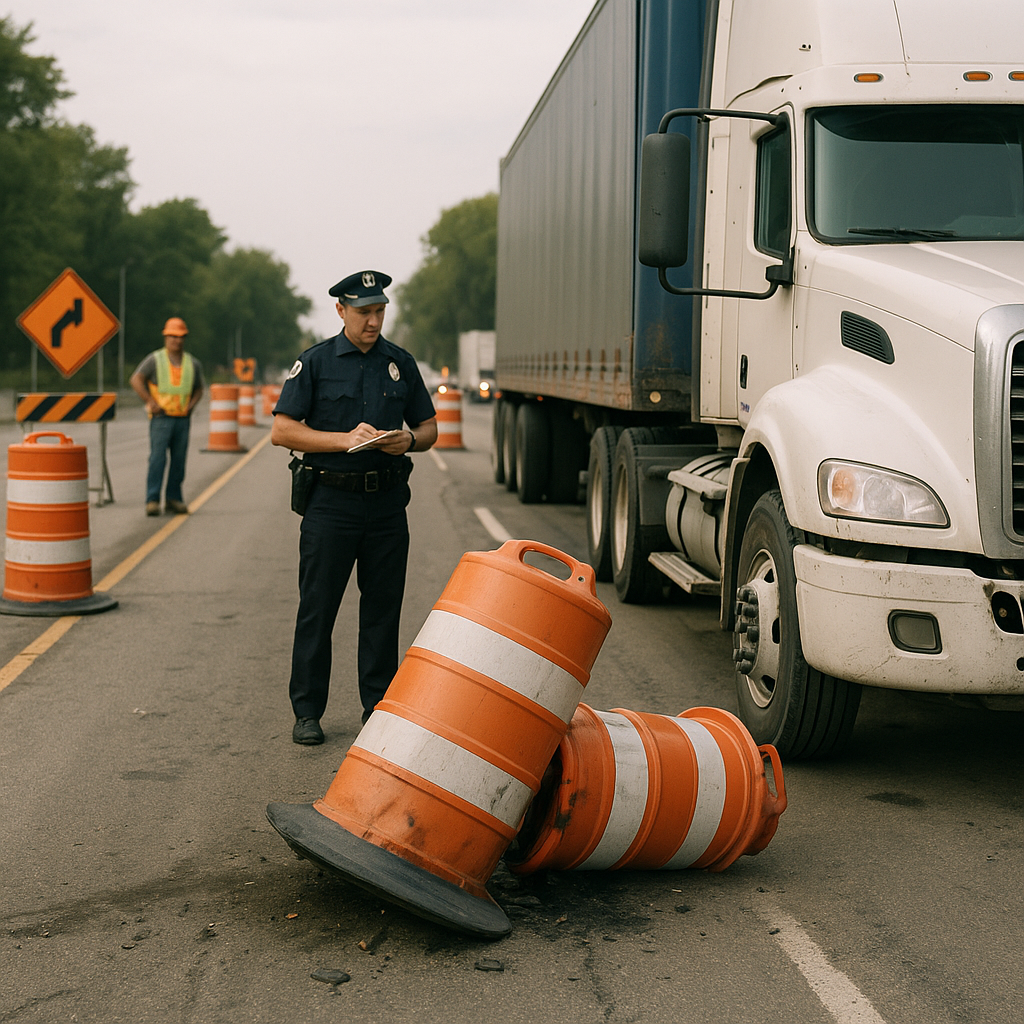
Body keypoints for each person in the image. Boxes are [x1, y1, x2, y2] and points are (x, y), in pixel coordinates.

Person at [271, 271, 438, 745]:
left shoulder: (399, 363)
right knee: (318, 610)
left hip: (386, 505)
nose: (373, 321)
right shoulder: (316, 362)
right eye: (364, 312)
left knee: (383, 612)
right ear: (341, 311)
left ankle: (378, 708)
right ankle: (307, 712)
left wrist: (409, 440)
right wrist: (342, 440)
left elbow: (429, 428)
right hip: (331, 504)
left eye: (380, 311)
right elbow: (282, 430)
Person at [129, 317, 205, 516]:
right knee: (157, 459)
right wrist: (150, 401)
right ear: (166, 337)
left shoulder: (192, 363)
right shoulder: (155, 360)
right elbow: (136, 379)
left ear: (184, 338)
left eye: (180, 337)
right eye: (173, 336)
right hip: (161, 418)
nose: (176, 340)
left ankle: (174, 498)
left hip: (182, 418)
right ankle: (152, 500)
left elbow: (199, 388)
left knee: (178, 461)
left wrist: (191, 406)